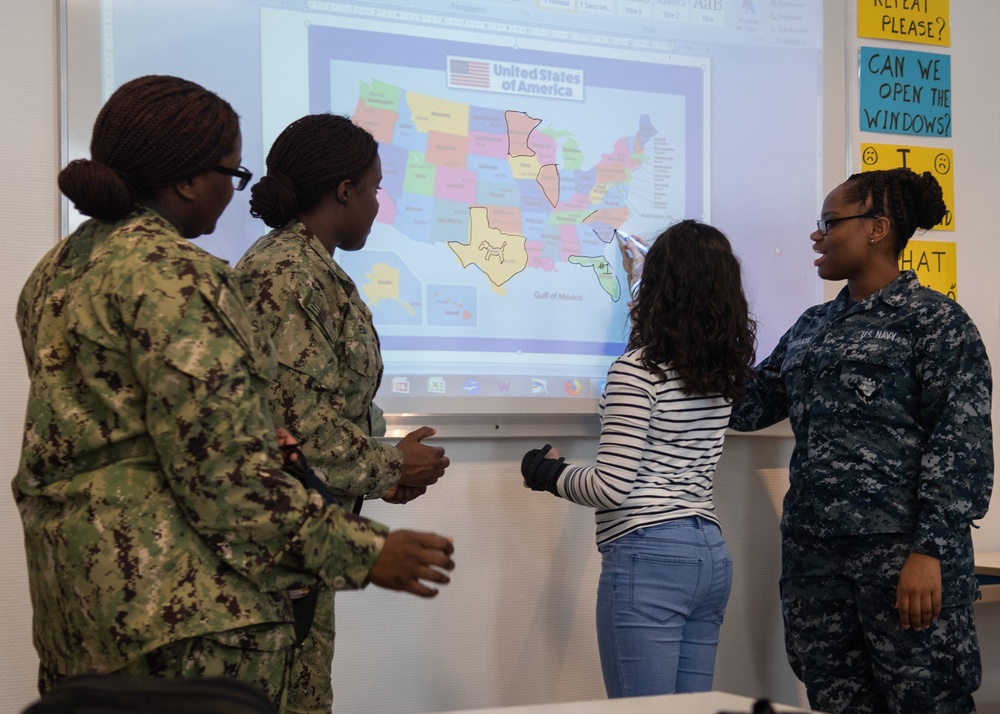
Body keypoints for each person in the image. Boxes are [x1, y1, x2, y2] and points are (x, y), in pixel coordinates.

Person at [13, 75, 455, 711]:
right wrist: (366, 553)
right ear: (190, 181)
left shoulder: (56, 271)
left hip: (80, 603)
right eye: (233, 172)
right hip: (184, 611)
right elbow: (225, 470)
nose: (236, 190)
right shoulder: (180, 278)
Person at [730, 167, 993, 714]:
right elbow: (748, 407)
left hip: (901, 562)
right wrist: (681, 322)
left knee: (927, 703)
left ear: (877, 228)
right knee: (836, 703)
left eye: (829, 223)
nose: (816, 235)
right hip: (815, 565)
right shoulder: (812, 326)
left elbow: (960, 447)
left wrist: (930, 552)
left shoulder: (936, 323)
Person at [235, 113, 451, 713]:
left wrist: (390, 473)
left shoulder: (314, 270)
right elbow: (301, 430)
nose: (380, 204)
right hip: (273, 563)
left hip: (304, 550)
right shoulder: (286, 275)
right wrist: (389, 466)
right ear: (344, 190)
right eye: (376, 188)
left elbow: (331, 410)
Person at [520, 220, 757, 698]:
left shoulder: (636, 371)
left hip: (649, 558)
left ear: (660, 287)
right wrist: (635, 275)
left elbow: (611, 486)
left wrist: (547, 471)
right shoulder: (718, 371)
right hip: (708, 556)